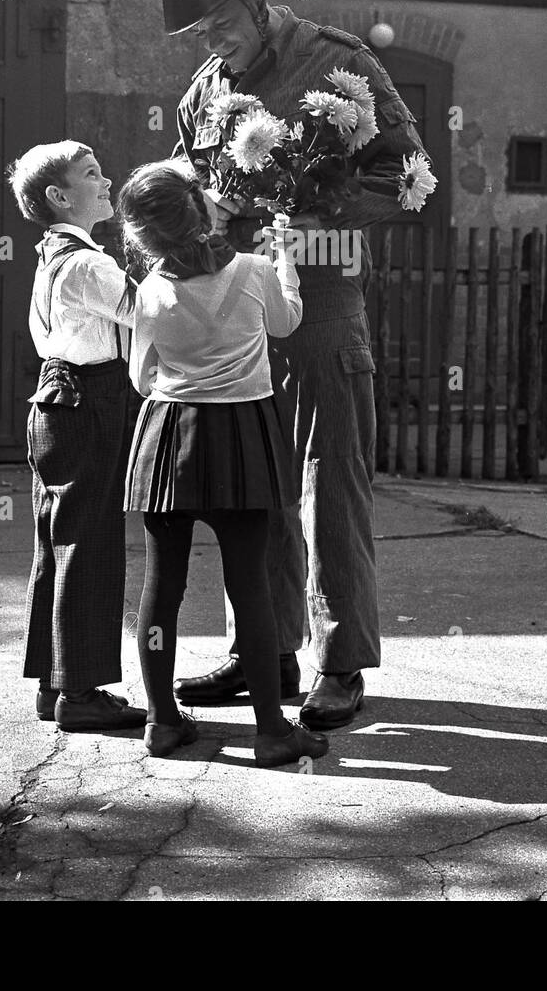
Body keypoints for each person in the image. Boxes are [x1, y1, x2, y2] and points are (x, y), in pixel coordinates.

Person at [162, 0, 427, 729]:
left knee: (329, 482)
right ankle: (264, 650)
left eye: (219, 26)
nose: (213, 46)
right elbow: (190, 188)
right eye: (199, 36)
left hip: (320, 300)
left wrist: (319, 215)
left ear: (251, 1)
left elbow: (409, 173)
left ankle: (340, 664)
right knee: (251, 488)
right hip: (240, 311)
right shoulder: (205, 93)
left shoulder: (335, 63)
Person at [118, 160, 330, 768]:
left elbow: (140, 379)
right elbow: (287, 323)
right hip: (244, 437)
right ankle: (271, 732)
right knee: (251, 587)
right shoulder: (256, 271)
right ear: (205, 212)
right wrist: (286, 259)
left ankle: (161, 723)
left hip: (169, 440)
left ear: (141, 236)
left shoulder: (150, 293)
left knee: (162, 588)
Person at [7, 140, 146, 733]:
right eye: (92, 175)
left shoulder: (54, 257)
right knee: (90, 544)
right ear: (60, 197)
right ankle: (81, 694)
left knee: (60, 543)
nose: (107, 180)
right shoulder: (87, 264)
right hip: (89, 401)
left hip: (57, 401)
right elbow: (149, 312)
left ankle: (55, 682)